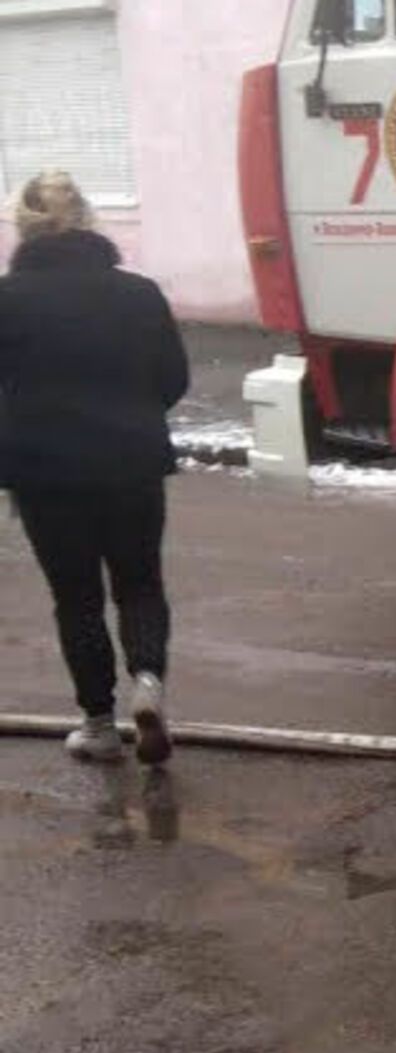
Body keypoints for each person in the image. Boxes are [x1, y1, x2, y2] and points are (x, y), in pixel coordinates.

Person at [0, 172, 187, 767]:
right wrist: (131, 414)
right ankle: (149, 683)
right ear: (87, 219)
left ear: (22, 227)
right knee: (139, 582)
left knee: (75, 596)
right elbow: (173, 378)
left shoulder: (7, 300)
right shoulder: (138, 293)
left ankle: (100, 725)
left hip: (44, 471)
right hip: (131, 461)